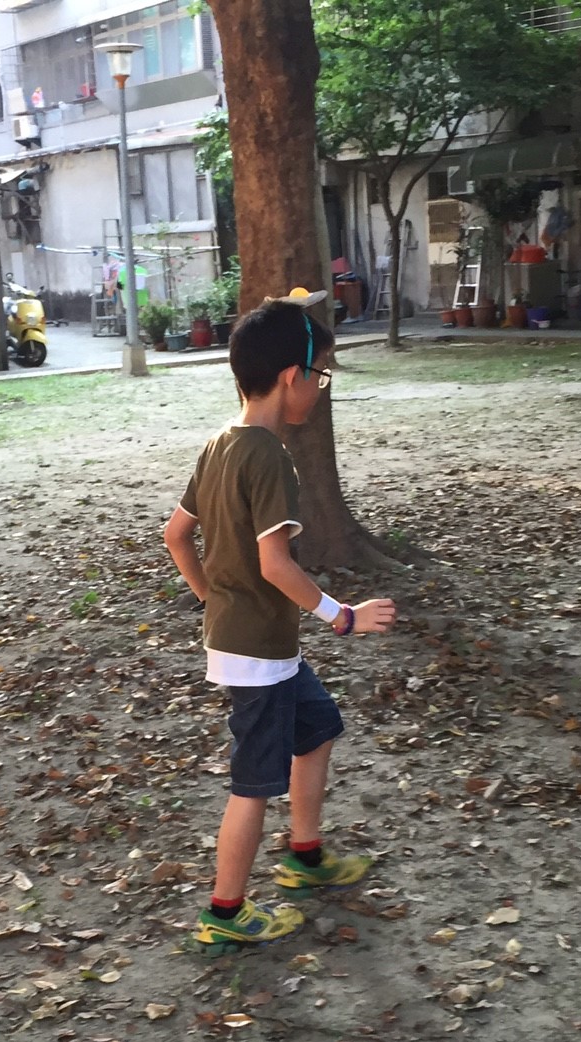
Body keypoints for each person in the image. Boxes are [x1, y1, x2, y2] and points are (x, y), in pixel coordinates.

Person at [163, 290, 397, 953]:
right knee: (252, 786)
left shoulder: (220, 445)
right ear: (292, 377)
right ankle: (225, 910)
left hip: (259, 647)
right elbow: (274, 564)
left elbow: (176, 536)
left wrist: (213, 600)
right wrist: (341, 616)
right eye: (320, 375)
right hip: (259, 656)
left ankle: (304, 855)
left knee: (317, 729)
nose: (321, 388)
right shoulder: (268, 455)